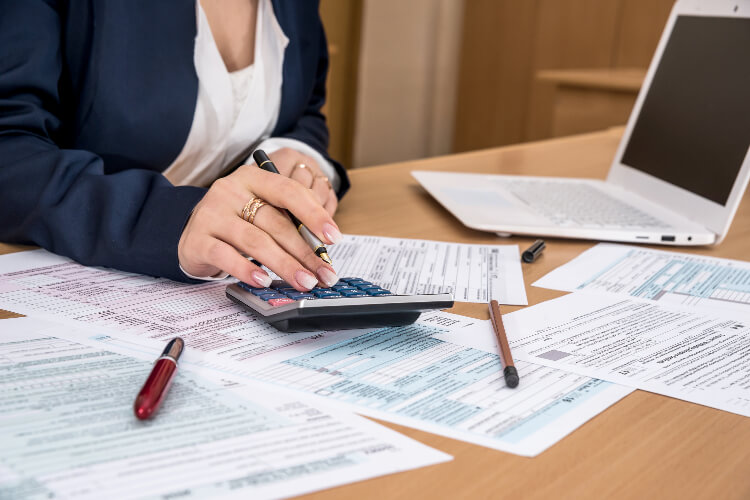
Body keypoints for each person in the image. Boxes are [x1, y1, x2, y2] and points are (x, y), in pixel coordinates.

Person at [0, 0, 349, 292]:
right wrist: (171, 220)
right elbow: (10, 153)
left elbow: (305, 110)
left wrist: (295, 157)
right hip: (74, 282)